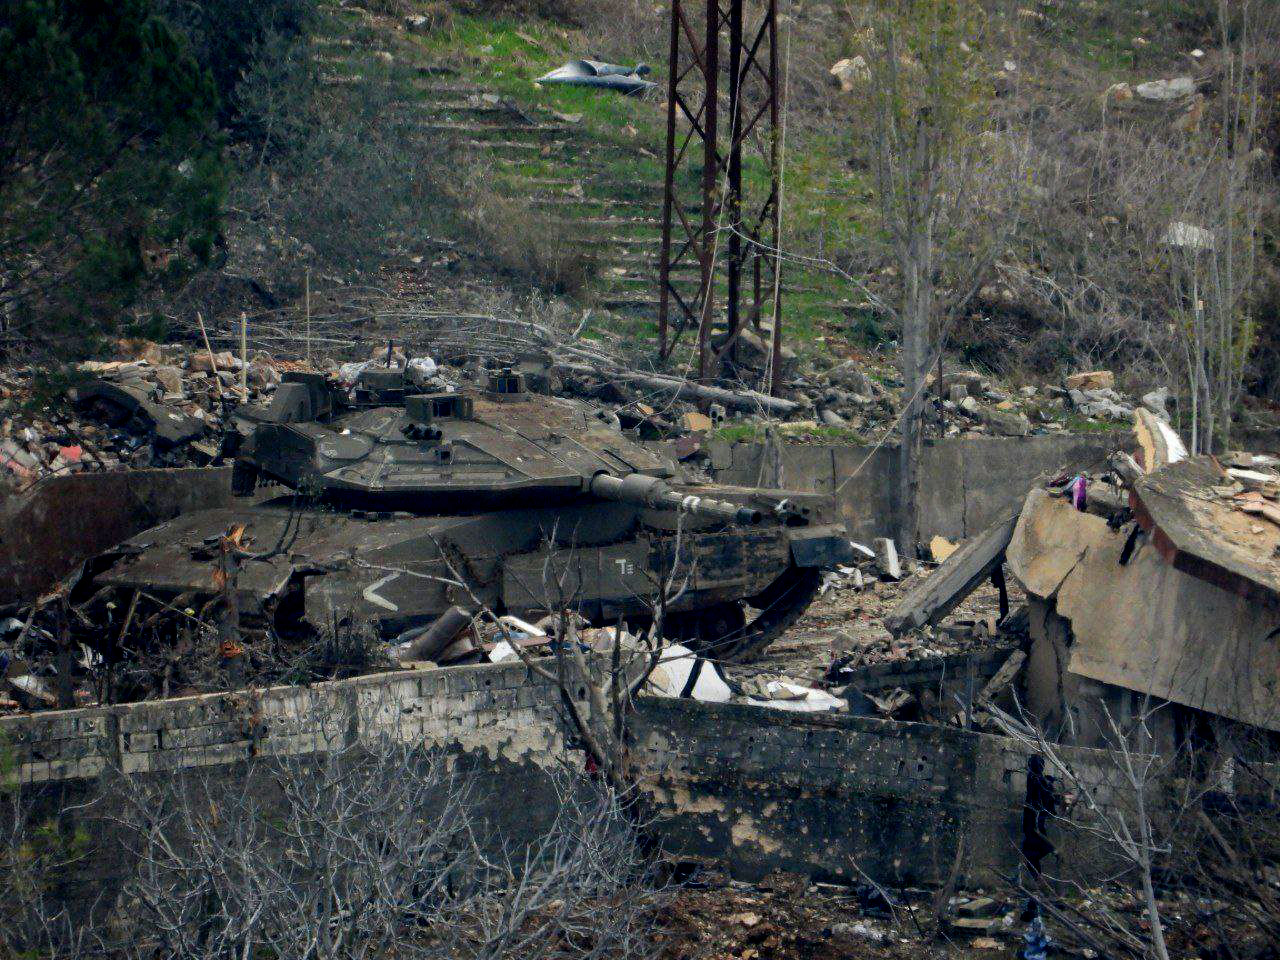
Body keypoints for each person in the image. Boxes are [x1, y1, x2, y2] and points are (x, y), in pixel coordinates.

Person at [1020, 754, 1058, 921]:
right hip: (1033, 826)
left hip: (1034, 826)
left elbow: (1043, 791)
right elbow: (1043, 791)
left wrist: (1048, 784)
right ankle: (1037, 896)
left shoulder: (1035, 779)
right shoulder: (1035, 779)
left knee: (1032, 857)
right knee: (1032, 858)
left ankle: (1038, 894)